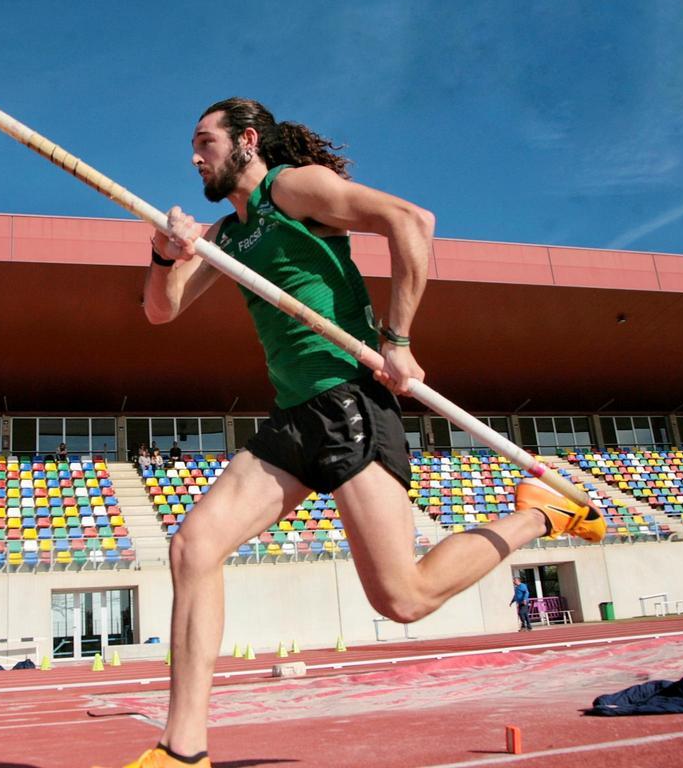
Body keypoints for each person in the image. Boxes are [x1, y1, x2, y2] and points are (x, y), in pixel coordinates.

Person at [117, 97, 605, 768]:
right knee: (193, 547)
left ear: (248, 142)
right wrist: (165, 253)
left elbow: (412, 220)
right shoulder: (226, 238)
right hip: (294, 417)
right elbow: (159, 312)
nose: (194, 154)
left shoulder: (293, 188)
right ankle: (183, 751)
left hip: (349, 400)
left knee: (403, 598)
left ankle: (541, 517)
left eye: (205, 140)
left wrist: (398, 337)